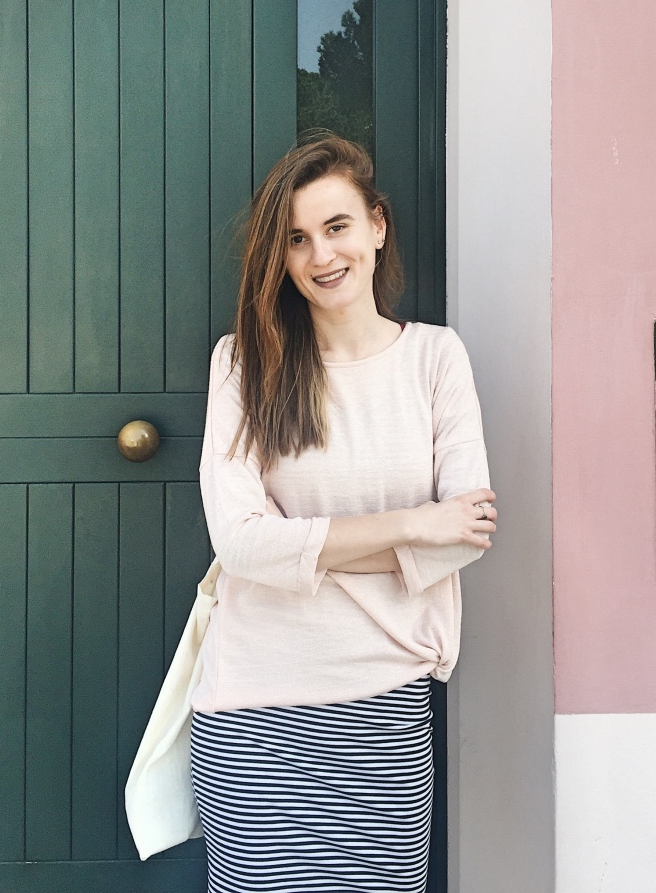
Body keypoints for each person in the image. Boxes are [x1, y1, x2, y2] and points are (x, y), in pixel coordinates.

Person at [190, 134, 497, 893]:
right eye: (295, 239)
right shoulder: (242, 363)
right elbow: (239, 544)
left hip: (383, 704)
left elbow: (466, 534)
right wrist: (408, 526)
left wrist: (307, 549)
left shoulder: (434, 358)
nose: (320, 256)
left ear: (377, 227)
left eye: (336, 227)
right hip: (255, 705)